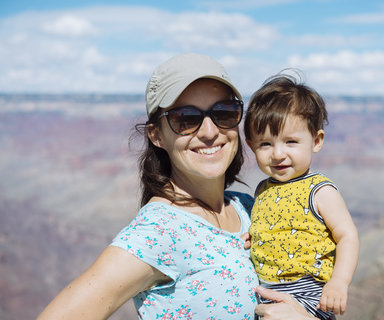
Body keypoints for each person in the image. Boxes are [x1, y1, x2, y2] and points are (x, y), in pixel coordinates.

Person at [36, 53, 321, 320]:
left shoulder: (248, 206)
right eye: (185, 118)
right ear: (156, 135)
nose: (209, 132)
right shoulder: (159, 232)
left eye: (223, 112)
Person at [244, 72, 360, 319]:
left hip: (309, 295)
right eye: (265, 144)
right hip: (266, 292)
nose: (277, 154)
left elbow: (347, 236)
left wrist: (339, 282)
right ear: (251, 144)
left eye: (291, 141)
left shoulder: (320, 191)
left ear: (316, 141)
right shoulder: (263, 189)